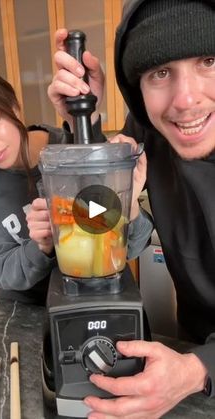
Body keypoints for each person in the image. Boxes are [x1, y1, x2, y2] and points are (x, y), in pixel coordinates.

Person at [47, 0, 215, 417]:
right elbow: (105, 222)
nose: (186, 100)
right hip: (192, 344)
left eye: (209, 60)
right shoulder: (152, 130)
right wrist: (84, 122)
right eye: (160, 73)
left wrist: (199, 370)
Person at [0, 61, 153, 306]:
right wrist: (42, 246)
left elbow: (132, 248)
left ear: (13, 107)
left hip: (95, 300)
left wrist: (127, 205)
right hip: (26, 312)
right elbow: (1, 270)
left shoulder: (80, 148)